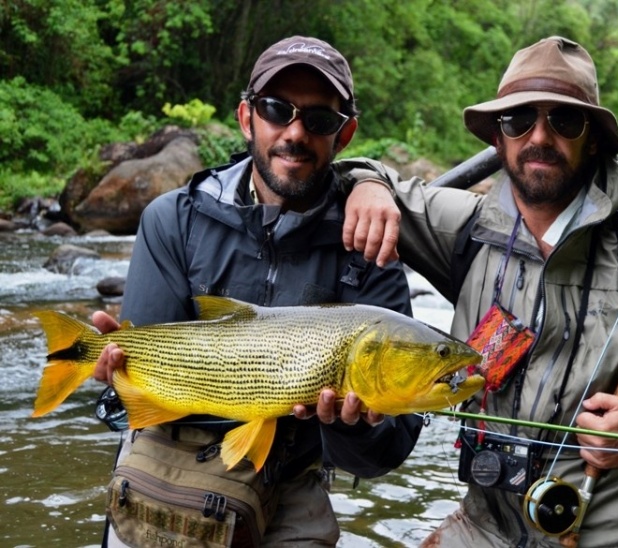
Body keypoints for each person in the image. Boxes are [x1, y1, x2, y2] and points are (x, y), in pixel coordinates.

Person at [342, 36, 618, 547]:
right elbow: (355, 172)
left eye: (564, 120)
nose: (539, 136)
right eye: (518, 120)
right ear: (497, 138)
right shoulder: (461, 229)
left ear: (593, 139)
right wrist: (369, 186)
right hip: (484, 527)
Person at [91, 35, 422, 547]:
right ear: (247, 118)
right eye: (276, 110)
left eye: (318, 120)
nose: (295, 133)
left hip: (292, 480)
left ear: (346, 133)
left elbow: (381, 458)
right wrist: (118, 380)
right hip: (167, 467)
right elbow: (135, 403)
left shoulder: (369, 243)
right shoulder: (173, 221)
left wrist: (352, 427)